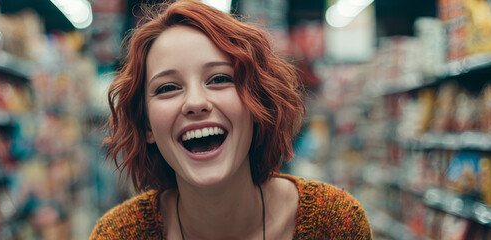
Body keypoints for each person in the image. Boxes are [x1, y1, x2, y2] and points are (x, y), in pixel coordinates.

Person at [90, 1, 372, 239]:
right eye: (167, 88)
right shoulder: (118, 234)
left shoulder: (335, 224)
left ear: (256, 102)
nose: (196, 103)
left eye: (220, 79)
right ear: (147, 125)